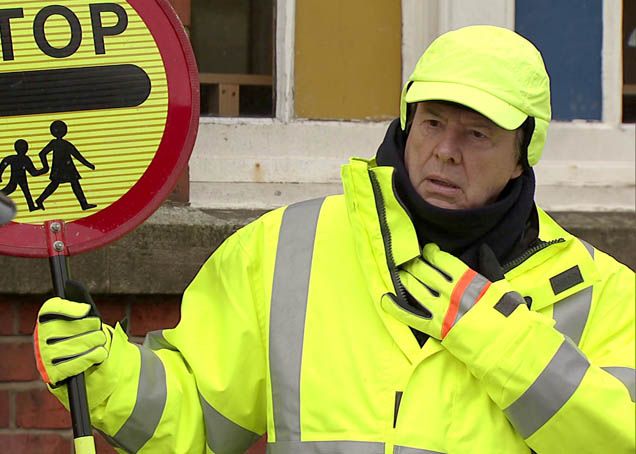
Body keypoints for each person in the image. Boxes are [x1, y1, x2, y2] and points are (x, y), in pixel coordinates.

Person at [33, 26, 634, 453]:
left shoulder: (601, 293)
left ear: (523, 155)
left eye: (477, 134)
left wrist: (500, 341)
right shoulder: (285, 249)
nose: (445, 151)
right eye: (430, 122)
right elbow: (197, 422)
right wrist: (102, 369)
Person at [35, 120, 97, 211]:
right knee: (59, 184)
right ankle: (40, 200)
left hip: (65, 168)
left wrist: (88, 164)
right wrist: (46, 166)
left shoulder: (60, 143)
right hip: (65, 168)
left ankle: (84, 204)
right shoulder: (60, 143)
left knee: (69, 184)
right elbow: (42, 153)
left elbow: (77, 155)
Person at [0, 139, 46, 211]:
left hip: (20, 177)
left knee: (21, 190)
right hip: (18, 177)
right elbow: (33, 172)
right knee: (14, 189)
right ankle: (31, 206)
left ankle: (31, 206)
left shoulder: (14, 158)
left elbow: (3, 164)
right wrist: (44, 169)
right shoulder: (24, 159)